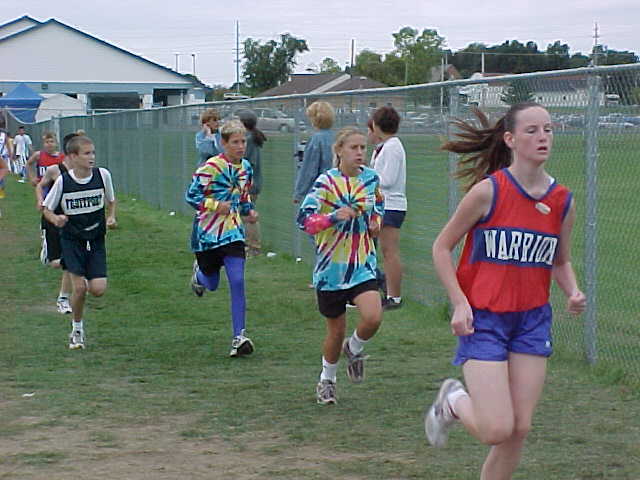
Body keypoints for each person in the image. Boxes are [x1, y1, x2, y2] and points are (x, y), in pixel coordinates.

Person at [425, 103, 586, 479]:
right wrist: (459, 303)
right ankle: (453, 401)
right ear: (510, 139)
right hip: (485, 319)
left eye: (548, 129)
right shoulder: (489, 192)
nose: (543, 137)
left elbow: (559, 260)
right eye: (532, 130)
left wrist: (573, 291)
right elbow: (441, 248)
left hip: (531, 320)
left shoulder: (562, 201)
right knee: (497, 429)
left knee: (519, 429)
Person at [297, 127, 385, 405]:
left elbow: (378, 205)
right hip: (331, 270)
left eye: (363, 148)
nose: (360, 153)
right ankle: (327, 380)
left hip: (362, 263)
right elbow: (304, 221)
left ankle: (354, 348)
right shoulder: (325, 183)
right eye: (353, 148)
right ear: (339, 150)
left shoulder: (370, 179)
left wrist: (376, 222)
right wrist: (333, 217)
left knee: (373, 316)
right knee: (335, 331)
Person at [185, 120, 259, 358]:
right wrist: (216, 206)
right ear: (223, 143)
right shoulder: (210, 167)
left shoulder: (246, 168)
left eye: (243, 141)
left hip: (234, 232)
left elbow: (243, 196)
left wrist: (248, 211)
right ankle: (199, 275)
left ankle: (239, 336)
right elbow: (191, 196)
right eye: (235, 142)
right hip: (207, 235)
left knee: (237, 280)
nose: (241, 146)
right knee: (212, 283)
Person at [42, 135, 117, 349]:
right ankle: (77, 330)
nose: (91, 157)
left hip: (96, 239)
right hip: (72, 240)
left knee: (98, 289)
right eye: (86, 153)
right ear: (73, 157)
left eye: (93, 152)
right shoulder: (63, 181)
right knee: (80, 288)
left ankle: (81, 291)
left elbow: (111, 201)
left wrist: (111, 217)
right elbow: (46, 209)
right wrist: (56, 219)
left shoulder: (102, 175)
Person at [35, 132, 83, 314]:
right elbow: (40, 185)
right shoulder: (54, 170)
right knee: (56, 263)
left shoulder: (83, 171)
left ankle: (63, 298)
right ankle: (47, 248)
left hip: (71, 221)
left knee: (69, 262)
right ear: (70, 152)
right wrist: (40, 200)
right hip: (52, 218)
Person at [370, 106, 407, 310]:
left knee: (390, 251)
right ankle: (386, 291)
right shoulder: (384, 146)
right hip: (383, 204)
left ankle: (394, 296)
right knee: (385, 251)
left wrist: (368, 177)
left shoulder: (393, 147)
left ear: (377, 125)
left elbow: (389, 179)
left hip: (391, 205)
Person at [237, 110, 267, 257]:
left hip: (250, 183)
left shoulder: (248, 140)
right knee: (245, 214)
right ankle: (246, 244)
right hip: (250, 182)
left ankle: (253, 247)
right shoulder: (249, 138)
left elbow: (248, 163)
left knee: (248, 215)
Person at [293, 101, 335, 203]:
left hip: (320, 192)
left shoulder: (316, 140)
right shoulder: (337, 137)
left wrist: (299, 193)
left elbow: (309, 169)